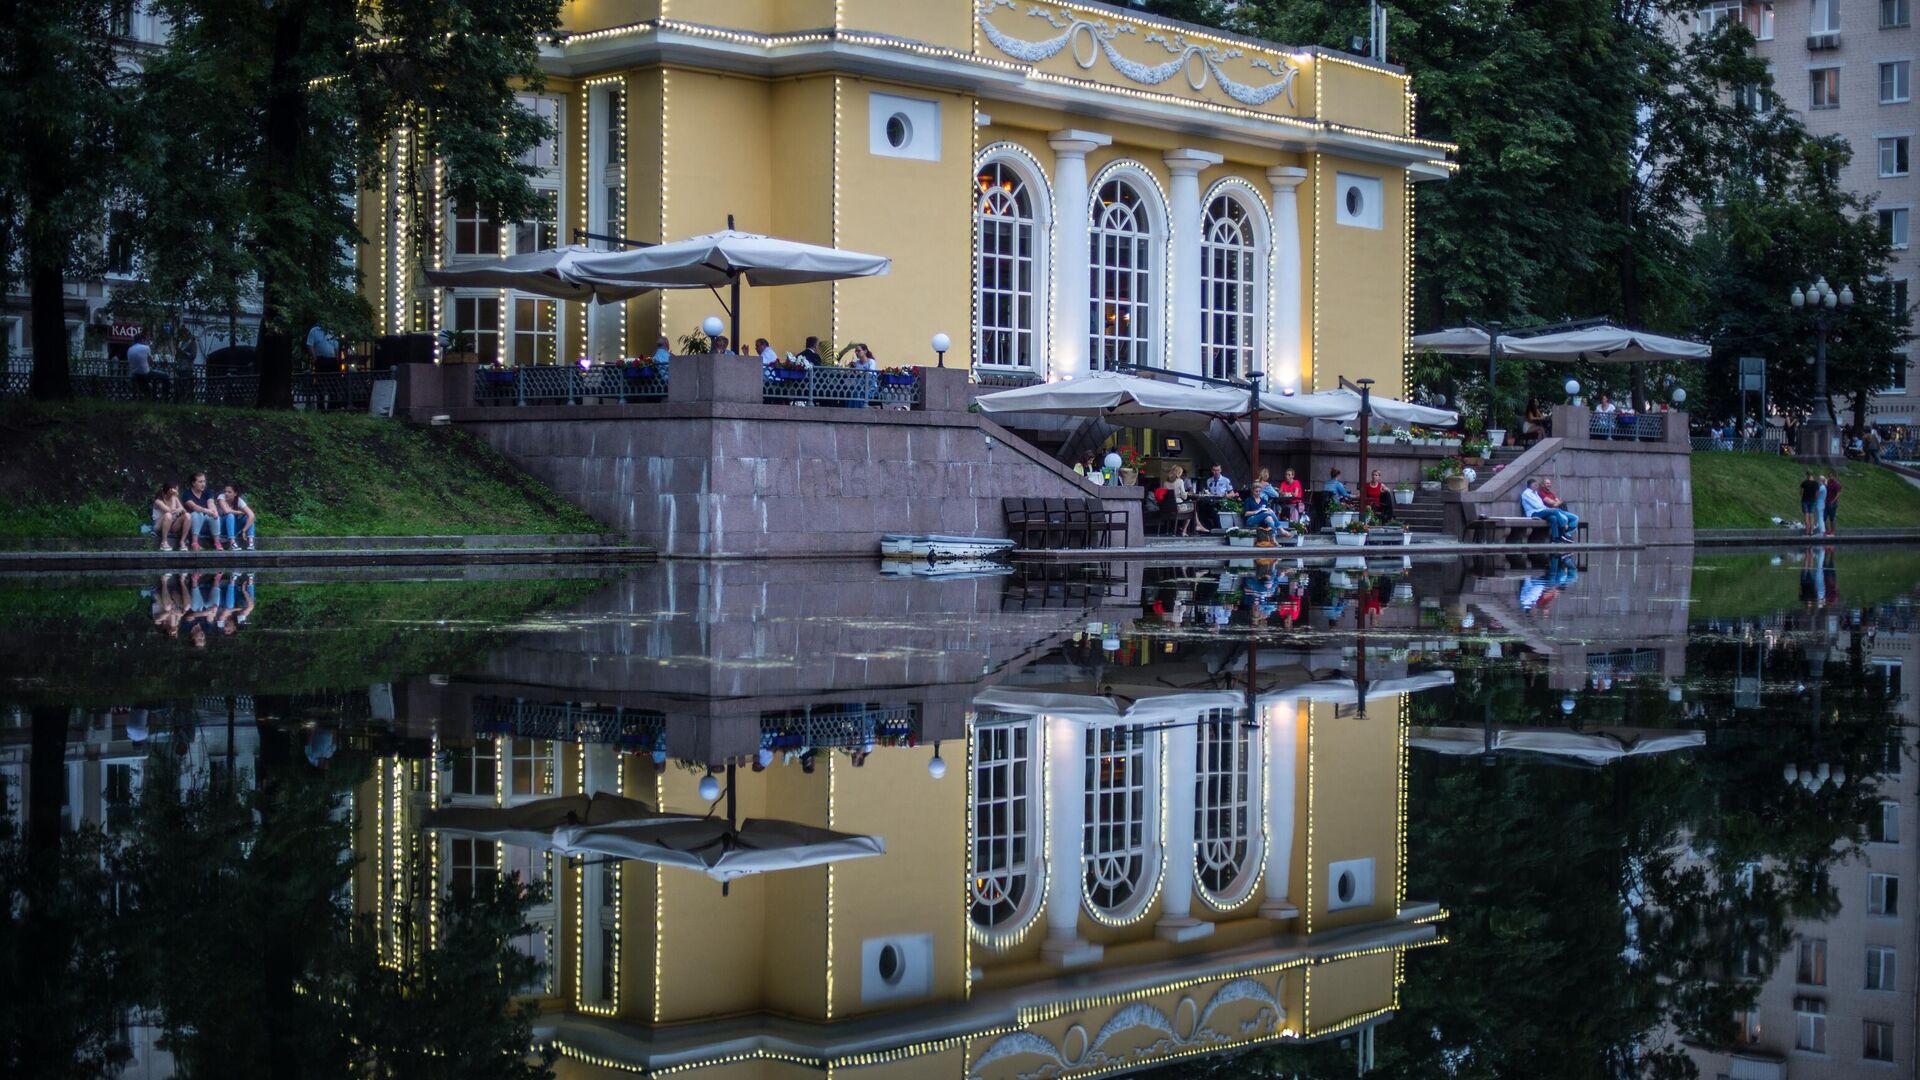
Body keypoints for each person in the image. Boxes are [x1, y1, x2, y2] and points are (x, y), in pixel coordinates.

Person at [1519, 476, 1574, 543]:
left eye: (1537, 485)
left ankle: (1555, 538)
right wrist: (1548, 510)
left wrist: (1547, 509)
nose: (1537, 486)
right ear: (1530, 485)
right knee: (1555, 511)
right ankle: (1563, 532)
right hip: (1533, 513)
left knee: (1553, 518)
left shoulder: (1535, 493)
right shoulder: (1526, 493)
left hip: (1540, 511)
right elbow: (1537, 506)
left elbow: (1541, 505)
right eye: (1535, 485)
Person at [181, 472, 222, 551]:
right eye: (200, 482)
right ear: (193, 483)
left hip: (206, 523)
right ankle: (194, 543)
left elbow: (211, 503)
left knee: (213, 515)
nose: (203, 484)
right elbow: (193, 506)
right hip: (192, 524)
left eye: (204, 481)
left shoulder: (207, 492)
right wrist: (207, 511)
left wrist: (214, 511)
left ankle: (217, 543)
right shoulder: (187, 494)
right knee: (197, 513)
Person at [150, 483, 190, 551]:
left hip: (172, 525)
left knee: (187, 516)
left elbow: (184, 510)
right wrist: (174, 498)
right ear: (169, 490)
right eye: (175, 490)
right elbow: (171, 512)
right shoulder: (158, 501)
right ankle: (164, 542)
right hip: (158, 526)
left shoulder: (175, 498)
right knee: (168, 515)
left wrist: (180, 509)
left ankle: (182, 542)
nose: (177, 492)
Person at [218, 484, 257, 550]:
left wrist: (244, 531)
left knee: (249, 518)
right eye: (225, 491)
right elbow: (227, 511)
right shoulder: (221, 497)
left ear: (235, 493)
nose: (226, 494)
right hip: (221, 528)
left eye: (229, 492)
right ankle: (232, 543)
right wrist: (239, 512)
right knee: (230, 515)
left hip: (233, 529)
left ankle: (251, 543)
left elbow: (252, 515)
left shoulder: (238, 500)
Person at [1164, 465, 1198, 536]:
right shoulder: (1180, 481)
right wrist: (1186, 493)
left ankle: (1171, 530)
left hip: (1168, 507)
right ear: (1179, 473)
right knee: (1192, 509)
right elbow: (1184, 496)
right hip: (1177, 506)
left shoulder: (1165, 483)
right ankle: (1184, 531)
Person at [127, 333, 154, 399]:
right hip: (145, 373)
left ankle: (141, 394)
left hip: (134, 373)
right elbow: (151, 362)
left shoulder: (129, 349)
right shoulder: (146, 347)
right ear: (142, 340)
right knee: (165, 376)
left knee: (141, 382)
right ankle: (163, 397)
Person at [1824, 470, 1841, 537]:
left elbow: (1838, 494)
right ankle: (1828, 530)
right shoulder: (1829, 483)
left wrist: (1833, 501)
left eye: (1830, 476)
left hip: (1832, 503)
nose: (1829, 477)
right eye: (1829, 476)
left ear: (1834, 476)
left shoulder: (1837, 484)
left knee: (1832, 518)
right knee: (1824, 517)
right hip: (1827, 502)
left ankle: (1832, 531)